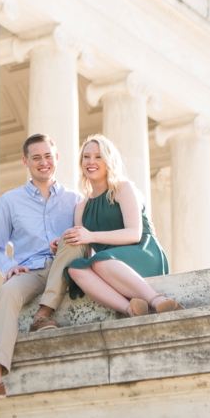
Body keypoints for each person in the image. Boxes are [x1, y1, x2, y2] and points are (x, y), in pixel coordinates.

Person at [0, 134, 86, 401]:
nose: (43, 162)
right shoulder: (9, 201)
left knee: (73, 238)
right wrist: (9, 266)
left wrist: (65, 244)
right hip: (31, 272)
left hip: (66, 267)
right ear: (26, 162)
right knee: (8, 292)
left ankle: (42, 315)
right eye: (36, 157)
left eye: (48, 156)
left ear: (56, 158)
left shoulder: (75, 199)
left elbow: (85, 242)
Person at [62, 134, 184, 318]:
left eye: (98, 156)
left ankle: (157, 300)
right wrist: (63, 244)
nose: (91, 162)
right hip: (108, 263)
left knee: (101, 261)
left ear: (108, 160)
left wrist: (91, 236)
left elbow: (134, 234)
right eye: (86, 157)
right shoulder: (81, 208)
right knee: (75, 269)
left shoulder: (122, 188)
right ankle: (130, 309)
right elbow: (85, 251)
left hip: (141, 251)